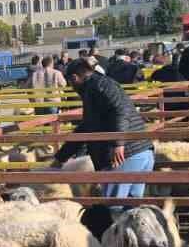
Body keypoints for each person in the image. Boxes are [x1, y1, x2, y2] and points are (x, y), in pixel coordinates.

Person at [53, 60, 153, 198]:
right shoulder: (96, 87)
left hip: (125, 156)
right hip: (138, 151)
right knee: (131, 208)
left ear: (74, 77)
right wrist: (61, 158)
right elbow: (85, 128)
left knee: (114, 207)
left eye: (70, 82)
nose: (70, 86)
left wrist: (118, 144)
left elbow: (121, 110)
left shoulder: (99, 85)